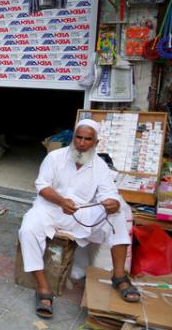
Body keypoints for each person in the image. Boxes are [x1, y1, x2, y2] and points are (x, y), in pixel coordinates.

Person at [18, 119, 140, 319]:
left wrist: (113, 203)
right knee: (28, 229)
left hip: (81, 212)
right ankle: (42, 287)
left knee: (118, 213)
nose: (81, 143)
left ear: (96, 143)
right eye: (78, 137)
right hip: (50, 208)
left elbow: (108, 193)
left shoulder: (100, 166)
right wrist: (60, 201)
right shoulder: (55, 157)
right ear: (73, 138)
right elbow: (42, 186)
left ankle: (119, 276)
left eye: (87, 139)